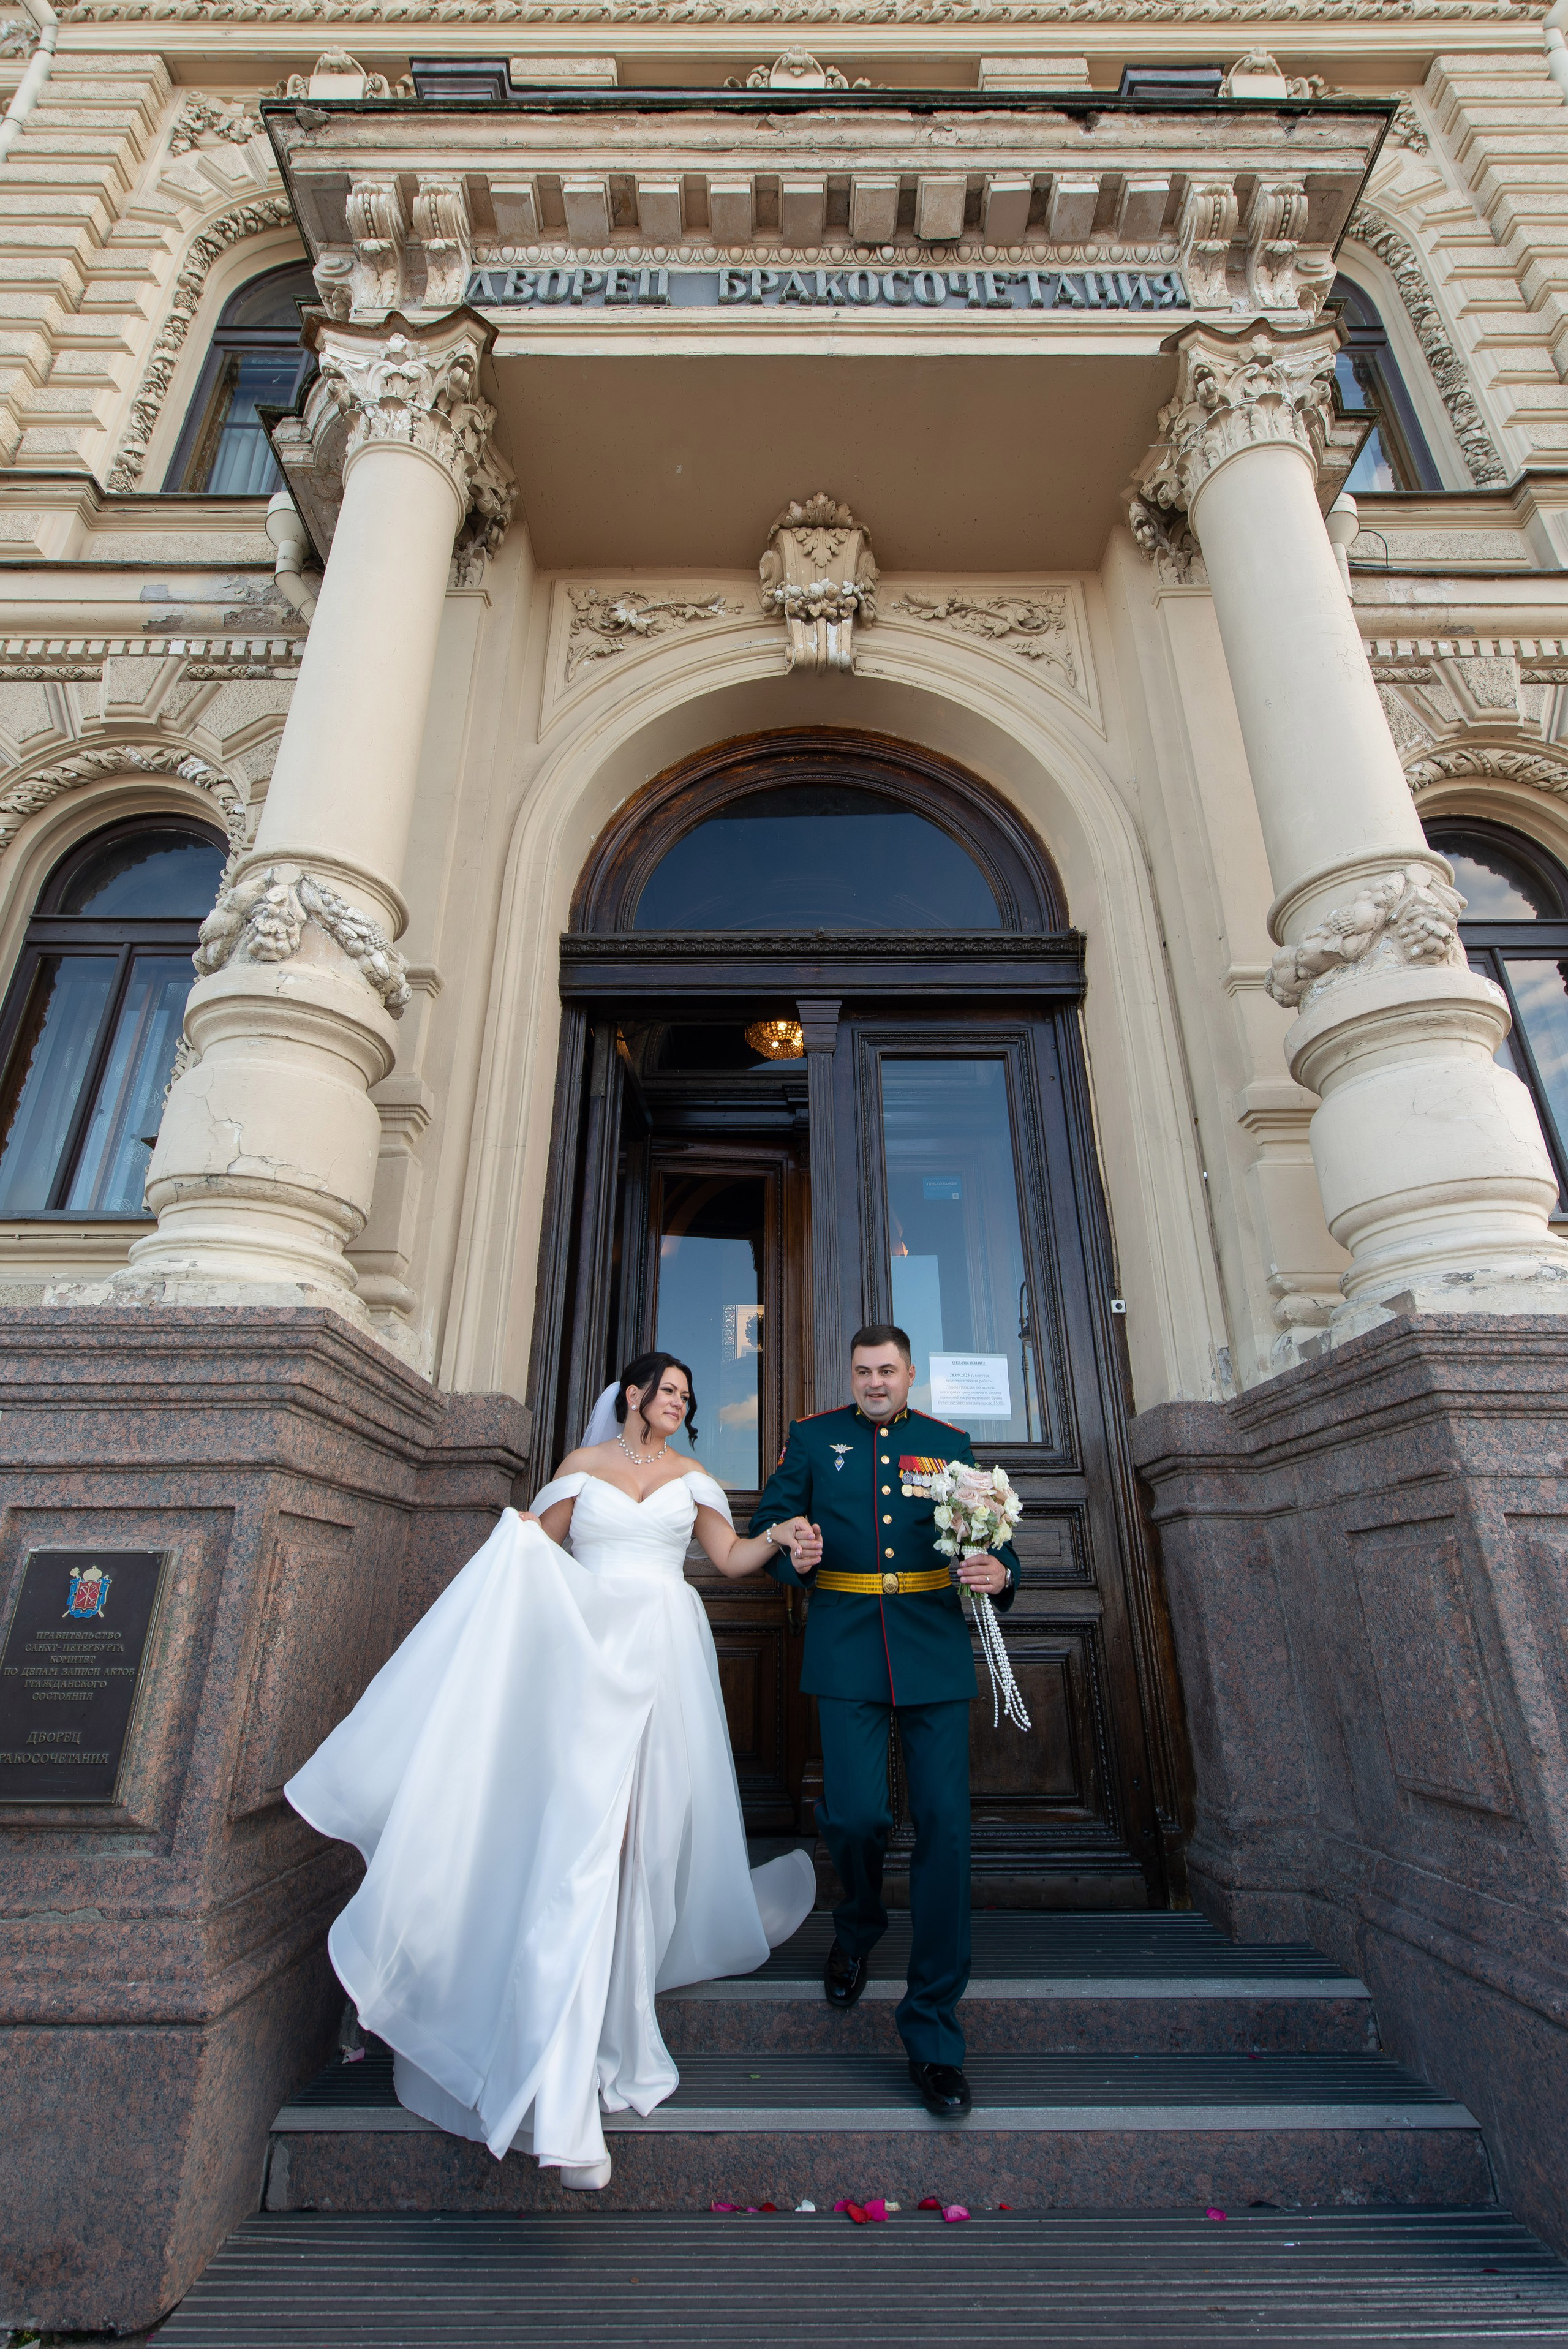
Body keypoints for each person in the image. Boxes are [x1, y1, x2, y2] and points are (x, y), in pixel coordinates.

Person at [285, 1351, 821, 2192]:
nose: (680, 1403)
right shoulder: (583, 1465)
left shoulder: (694, 1479)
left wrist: (778, 1539)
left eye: (688, 1395)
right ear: (633, 1395)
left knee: (649, 1838)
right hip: (588, 1655)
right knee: (588, 1835)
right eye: (669, 1391)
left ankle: (622, 1996)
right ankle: (564, 2051)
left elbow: (728, 1560)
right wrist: (514, 1539)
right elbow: (542, 1547)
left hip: (667, 1657)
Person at [751, 1323, 1019, 2117]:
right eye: (864, 1371)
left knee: (945, 1831)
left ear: (909, 1375)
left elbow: (994, 1538)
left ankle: (933, 2032)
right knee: (858, 1816)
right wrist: (792, 1552)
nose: (875, 1382)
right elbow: (773, 1527)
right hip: (846, 1649)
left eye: (888, 1371)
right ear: (852, 1376)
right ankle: (859, 1924)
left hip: (932, 1649)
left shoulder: (947, 1443)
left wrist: (1000, 1573)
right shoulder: (813, 1439)